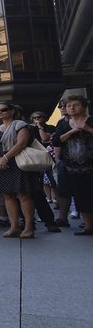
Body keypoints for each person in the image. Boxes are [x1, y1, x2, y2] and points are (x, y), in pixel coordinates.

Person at [0, 103, 41, 238]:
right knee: (8, 195)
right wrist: (0, 159)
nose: (0, 112)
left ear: (12, 111)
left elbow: (21, 144)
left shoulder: (21, 125)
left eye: (3, 110)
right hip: (2, 163)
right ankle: (14, 227)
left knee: (24, 195)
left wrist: (5, 158)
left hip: (18, 161)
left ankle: (29, 227)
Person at [52, 94, 93, 235]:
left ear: (83, 106)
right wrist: (73, 131)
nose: (72, 108)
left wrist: (87, 128)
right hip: (73, 167)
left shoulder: (91, 120)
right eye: (69, 106)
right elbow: (56, 141)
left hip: (90, 165)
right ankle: (88, 226)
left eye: (75, 105)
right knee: (80, 196)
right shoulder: (63, 124)